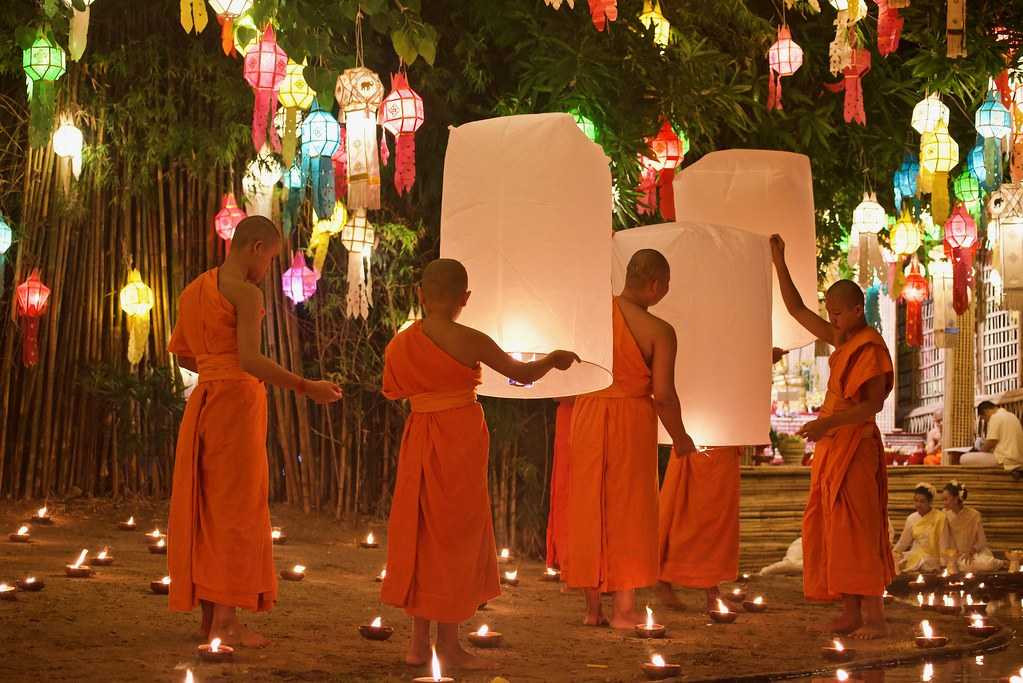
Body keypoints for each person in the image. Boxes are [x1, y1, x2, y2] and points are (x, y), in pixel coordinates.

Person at [380, 258, 579, 670]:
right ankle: (448, 645)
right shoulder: (472, 339)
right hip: (458, 439)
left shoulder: (401, 343)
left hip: (420, 436)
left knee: (420, 529)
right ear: (464, 299)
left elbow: (391, 389)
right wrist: (554, 359)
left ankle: (418, 644)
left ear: (420, 294)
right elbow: (520, 373)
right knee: (453, 532)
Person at [167, 216, 343, 646]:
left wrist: (215, 368)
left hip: (205, 401)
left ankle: (210, 620)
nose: (268, 269)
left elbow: (185, 355)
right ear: (257, 248)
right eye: (271, 259)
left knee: (208, 506)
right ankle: (226, 622)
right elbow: (249, 359)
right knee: (236, 509)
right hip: (236, 405)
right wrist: (305, 385)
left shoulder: (195, 290)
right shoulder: (245, 293)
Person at [563, 249, 698, 628]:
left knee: (590, 502)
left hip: (588, 412)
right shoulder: (659, 331)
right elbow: (665, 396)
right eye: (667, 286)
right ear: (655, 284)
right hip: (630, 417)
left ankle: (592, 610)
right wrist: (681, 438)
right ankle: (624, 608)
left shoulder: (591, 314)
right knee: (629, 508)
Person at [771, 234, 896, 640]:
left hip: (855, 445)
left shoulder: (870, 347)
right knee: (832, 525)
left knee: (858, 527)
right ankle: (848, 610)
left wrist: (827, 425)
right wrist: (779, 260)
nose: (833, 319)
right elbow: (795, 309)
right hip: (833, 447)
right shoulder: (843, 339)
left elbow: (871, 407)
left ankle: (874, 617)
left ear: (859, 310)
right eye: (832, 312)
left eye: (839, 313)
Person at [940, 480, 1005, 572]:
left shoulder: (974, 515)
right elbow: (944, 539)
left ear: (956, 499)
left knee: (986, 564)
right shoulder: (944, 515)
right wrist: (947, 558)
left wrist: (970, 552)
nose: (943, 502)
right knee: (960, 565)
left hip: (975, 553)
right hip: (956, 555)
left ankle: (1001, 563)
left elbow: (982, 541)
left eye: (946, 499)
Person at [545, 396, 575, 571]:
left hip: (598, 406)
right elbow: (557, 391)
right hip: (571, 412)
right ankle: (570, 561)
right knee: (568, 489)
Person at [961, 402, 1023, 480]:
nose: (986, 421)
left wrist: (980, 452)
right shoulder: (1011, 415)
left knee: (963, 458)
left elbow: (991, 442)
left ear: (986, 411)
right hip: (1018, 459)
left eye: (984, 418)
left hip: (1006, 460)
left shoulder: (995, 417)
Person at [891, 483, 946, 572]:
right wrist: (893, 554)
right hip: (915, 555)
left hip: (933, 558)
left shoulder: (940, 517)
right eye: (916, 501)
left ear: (930, 502)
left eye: (922, 501)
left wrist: (944, 564)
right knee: (900, 562)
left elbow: (943, 543)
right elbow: (903, 542)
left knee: (923, 563)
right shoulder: (911, 518)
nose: (918, 504)